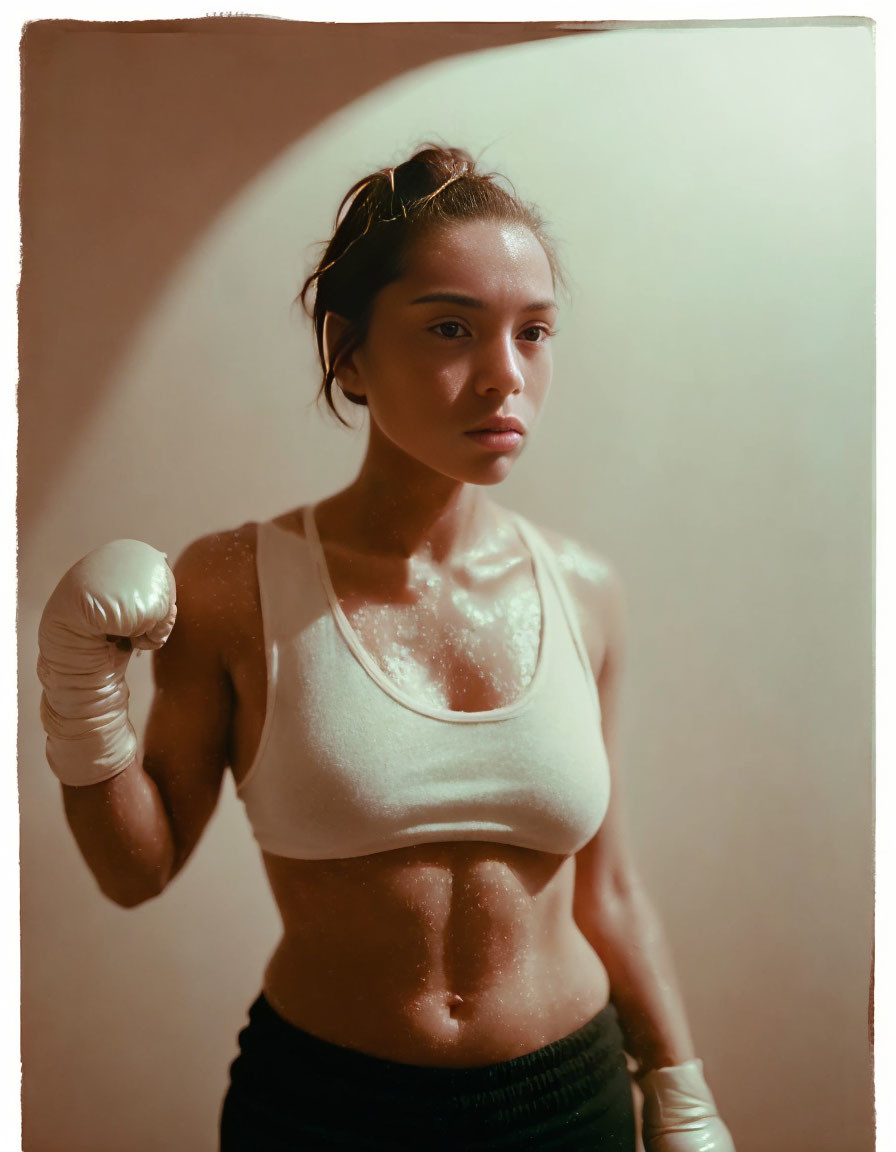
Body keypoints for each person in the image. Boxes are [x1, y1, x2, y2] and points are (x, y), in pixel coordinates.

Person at [37, 145, 736, 1152]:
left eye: (533, 333)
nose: (506, 377)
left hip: (566, 1101)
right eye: (451, 328)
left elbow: (608, 885)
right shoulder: (235, 586)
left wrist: (678, 1084)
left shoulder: (585, 593)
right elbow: (134, 869)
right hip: (325, 1108)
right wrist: (78, 685)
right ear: (350, 350)